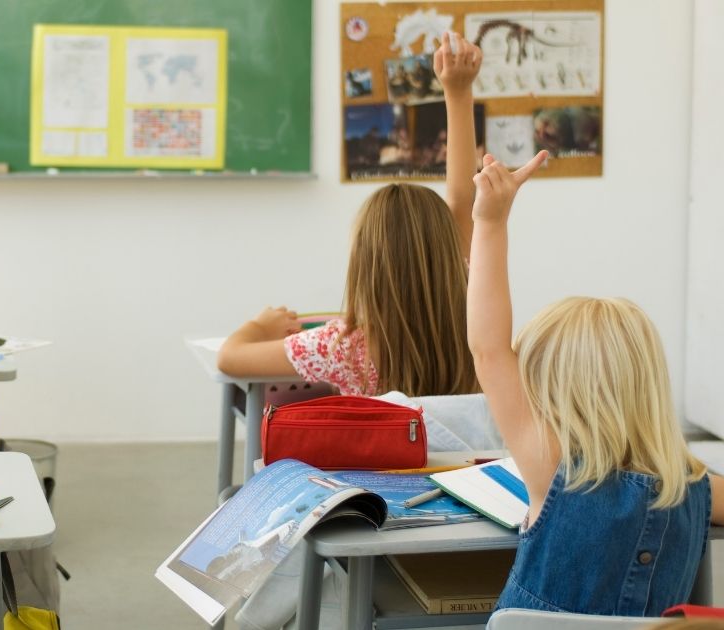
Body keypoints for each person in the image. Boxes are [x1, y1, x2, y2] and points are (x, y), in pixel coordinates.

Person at [467, 148, 724, 615]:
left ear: (549, 394)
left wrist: (490, 222)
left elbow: (487, 347)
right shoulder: (695, 486)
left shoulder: (550, 465)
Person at [218, 32, 484, 399]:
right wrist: (458, 92)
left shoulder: (341, 346)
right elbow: (463, 196)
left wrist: (259, 325)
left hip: (378, 460)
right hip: (464, 458)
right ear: (449, 250)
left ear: (364, 263)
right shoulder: (474, 319)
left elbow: (229, 359)